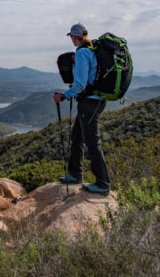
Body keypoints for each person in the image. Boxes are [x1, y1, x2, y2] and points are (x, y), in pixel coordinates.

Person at [53, 23, 111, 195]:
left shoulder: (82, 53)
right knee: (77, 136)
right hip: (94, 100)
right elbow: (86, 81)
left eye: (71, 36)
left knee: (93, 142)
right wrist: (78, 88)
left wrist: (64, 96)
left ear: (74, 37)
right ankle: (75, 174)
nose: (71, 39)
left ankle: (103, 183)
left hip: (89, 103)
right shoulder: (92, 51)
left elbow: (80, 84)